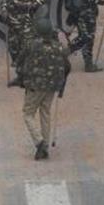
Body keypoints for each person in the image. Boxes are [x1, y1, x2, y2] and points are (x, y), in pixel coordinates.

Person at [22, 18, 70, 160]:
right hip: (52, 86)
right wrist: (61, 86)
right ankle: (46, 145)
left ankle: (39, 142)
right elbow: (67, 66)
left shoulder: (32, 45)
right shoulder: (59, 47)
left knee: (28, 114)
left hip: (35, 86)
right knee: (45, 112)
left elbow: (21, 61)